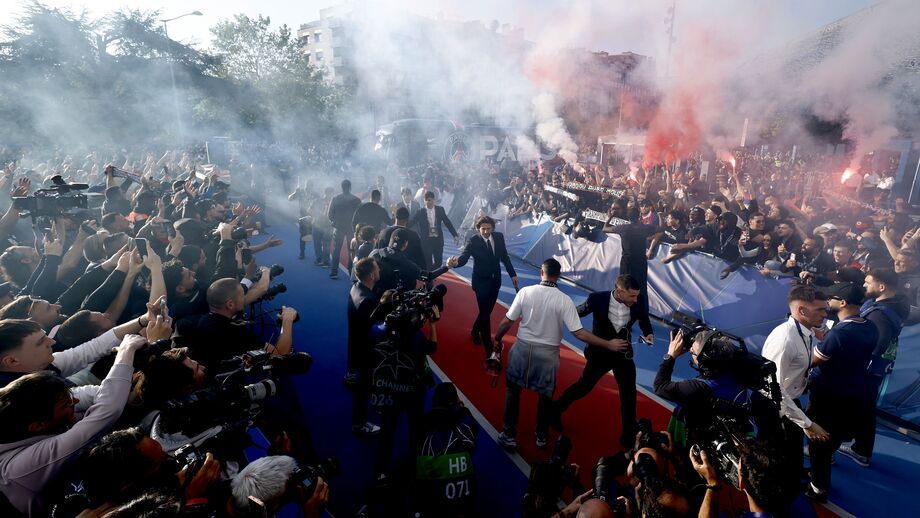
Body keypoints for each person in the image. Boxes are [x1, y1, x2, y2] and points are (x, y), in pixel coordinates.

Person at [0, 335, 146, 515]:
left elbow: (83, 396)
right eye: (67, 405)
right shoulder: (20, 467)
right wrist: (126, 350)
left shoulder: (18, 415)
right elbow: (106, 412)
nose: (74, 401)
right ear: (37, 426)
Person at [494, 259, 625, 450]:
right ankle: (541, 435)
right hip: (548, 354)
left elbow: (507, 321)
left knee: (513, 391)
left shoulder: (525, 292)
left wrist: (497, 339)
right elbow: (579, 333)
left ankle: (508, 434)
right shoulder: (564, 300)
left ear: (542, 272)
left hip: (522, 348)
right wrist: (608, 344)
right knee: (545, 396)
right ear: (559, 276)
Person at [552, 274, 652, 450]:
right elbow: (577, 313)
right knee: (583, 387)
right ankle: (554, 411)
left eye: (637, 296)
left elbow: (644, 318)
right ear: (619, 292)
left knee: (628, 395)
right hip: (600, 353)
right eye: (632, 296)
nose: (636, 300)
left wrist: (648, 332)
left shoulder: (640, 300)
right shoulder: (597, 299)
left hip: (623, 354)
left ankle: (628, 436)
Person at [804, 282, 878, 502]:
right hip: (852, 392)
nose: (827, 303)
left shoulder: (840, 333)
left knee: (817, 442)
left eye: (832, 299)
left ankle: (818, 488)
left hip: (827, 396)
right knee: (833, 436)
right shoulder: (870, 326)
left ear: (843, 303)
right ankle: (827, 461)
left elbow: (813, 360)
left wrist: (816, 340)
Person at [760, 284, 830, 489]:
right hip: (774, 406)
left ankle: (792, 473)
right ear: (801, 311)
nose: (825, 315)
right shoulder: (785, 340)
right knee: (773, 451)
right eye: (820, 310)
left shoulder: (805, 331)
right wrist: (807, 423)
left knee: (792, 445)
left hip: (789, 401)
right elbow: (772, 388)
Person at [842, 268, 911, 467]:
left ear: (881, 287)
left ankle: (860, 450)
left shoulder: (880, 316)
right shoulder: (896, 303)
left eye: (868, 282)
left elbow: (875, 346)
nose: (864, 285)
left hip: (868, 369)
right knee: (862, 407)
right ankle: (853, 441)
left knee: (862, 407)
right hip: (876, 369)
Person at [174, 278, 297, 371]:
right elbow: (280, 354)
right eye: (242, 295)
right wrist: (287, 320)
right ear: (230, 305)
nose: (245, 298)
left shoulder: (189, 321)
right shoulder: (234, 333)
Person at [446, 215, 518, 357]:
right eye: (483, 229)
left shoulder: (498, 237)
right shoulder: (473, 241)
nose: (486, 231)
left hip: (495, 281)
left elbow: (504, 257)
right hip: (480, 283)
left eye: (488, 229)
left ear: (493, 228)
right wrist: (455, 263)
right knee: (485, 315)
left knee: (486, 312)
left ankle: (474, 331)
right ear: (478, 229)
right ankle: (489, 349)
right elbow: (464, 257)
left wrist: (512, 274)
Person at [346, 257, 383, 437]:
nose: (379, 271)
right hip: (365, 351)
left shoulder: (356, 287)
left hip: (355, 346)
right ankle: (359, 424)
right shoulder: (368, 300)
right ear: (371, 275)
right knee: (363, 388)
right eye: (377, 268)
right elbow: (374, 330)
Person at [408, 191, 459, 269]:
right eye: (427, 200)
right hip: (426, 241)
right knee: (428, 262)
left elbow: (447, 222)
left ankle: (430, 273)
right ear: (424, 201)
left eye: (430, 200)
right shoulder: (420, 212)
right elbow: (411, 223)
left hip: (437, 240)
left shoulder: (440, 210)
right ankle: (429, 279)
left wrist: (455, 235)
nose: (429, 202)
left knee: (438, 263)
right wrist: (399, 223)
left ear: (434, 200)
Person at [327, 179, 361, 279]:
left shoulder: (335, 198)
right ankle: (351, 271)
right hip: (351, 228)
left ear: (341, 187)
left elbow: (329, 214)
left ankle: (334, 272)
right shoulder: (356, 200)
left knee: (336, 249)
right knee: (352, 250)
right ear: (350, 187)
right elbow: (360, 215)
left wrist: (335, 221)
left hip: (338, 227)